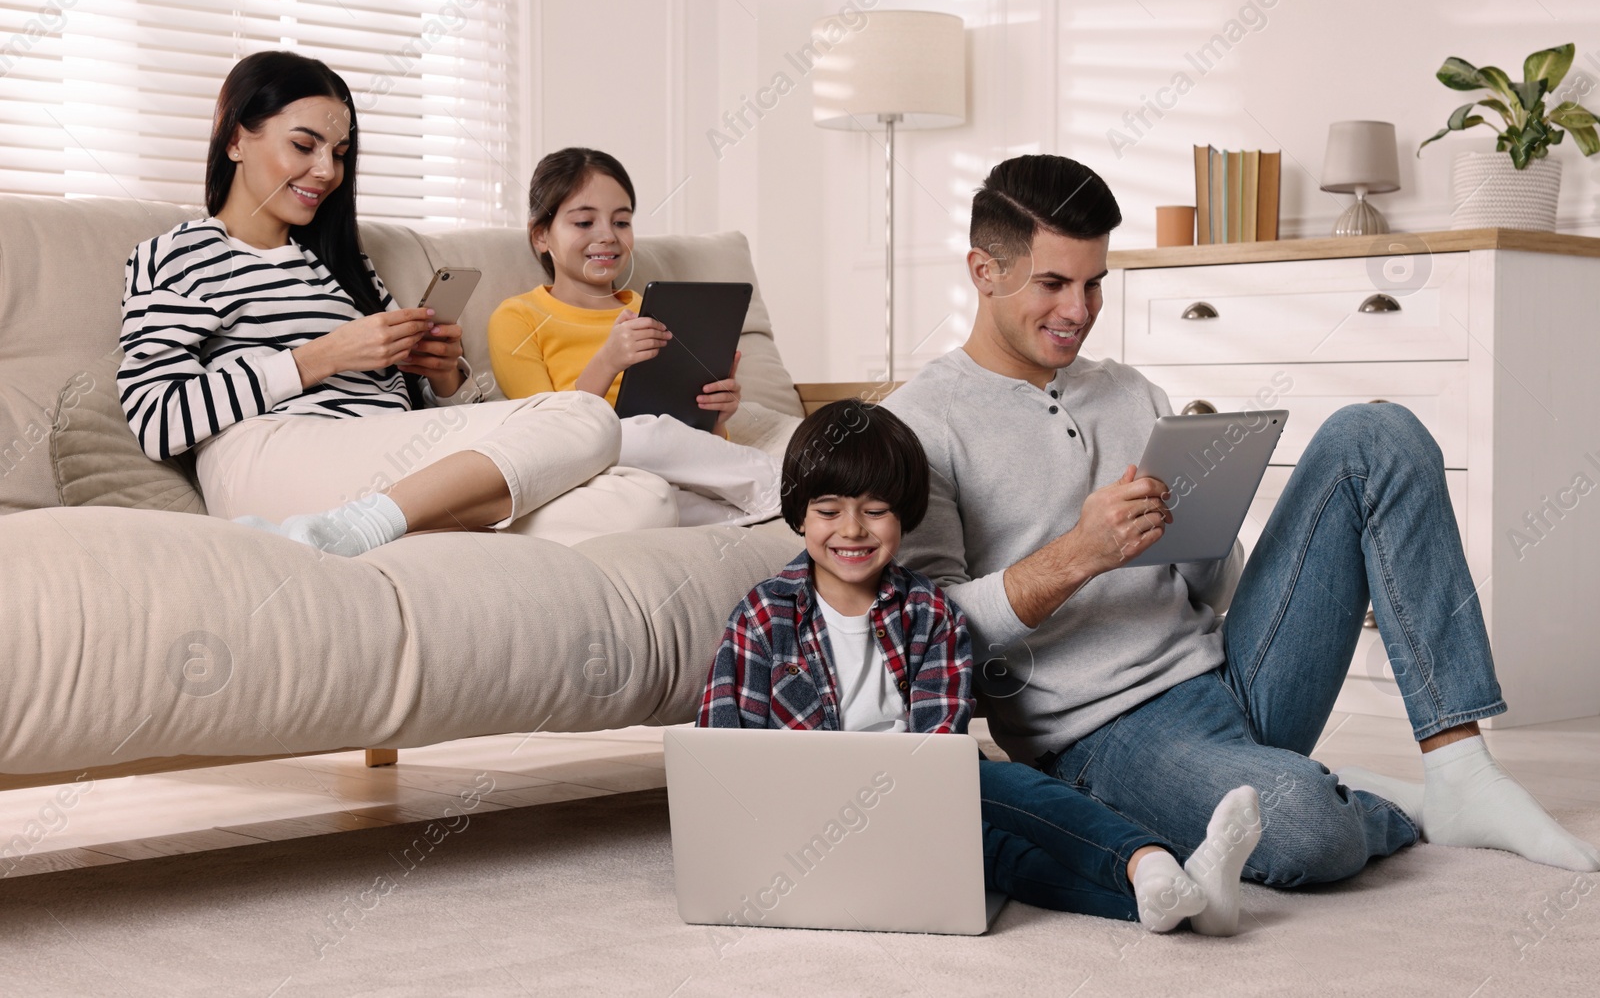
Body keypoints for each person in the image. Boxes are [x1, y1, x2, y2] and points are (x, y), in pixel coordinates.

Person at [884, 153, 1600, 886]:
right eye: (1054, 284)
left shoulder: (1133, 391)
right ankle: (1360, 799)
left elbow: (1209, 591)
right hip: (1100, 739)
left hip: (1230, 673)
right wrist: (1080, 553)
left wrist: (1199, 529)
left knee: (1377, 434)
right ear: (983, 270)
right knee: (1305, 826)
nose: (1079, 310)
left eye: (1094, 282)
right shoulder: (916, 425)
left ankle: (1460, 768)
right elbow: (931, 634)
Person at [698, 399, 1264, 934]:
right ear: (799, 515)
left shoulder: (931, 614)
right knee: (987, 796)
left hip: (915, 804)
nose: (851, 531)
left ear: (905, 517)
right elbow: (722, 755)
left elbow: (938, 751)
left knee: (996, 833)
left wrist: (915, 812)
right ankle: (1157, 868)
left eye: (875, 512)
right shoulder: (763, 615)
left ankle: (1169, 886)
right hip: (809, 821)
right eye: (828, 512)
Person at [118, 51, 675, 555]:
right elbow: (156, 420)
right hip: (271, 455)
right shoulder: (181, 253)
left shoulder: (343, 267)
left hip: (380, 468)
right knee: (586, 415)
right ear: (237, 139)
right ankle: (368, 526)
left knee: (647, 502)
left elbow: (414, 418)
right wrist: (322, 356)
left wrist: (444, 380)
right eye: (304, 145)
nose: (326, 171)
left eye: (338, 153)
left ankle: (368, 529)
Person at [486, 147, 781, 527]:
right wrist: (608, 361)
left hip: (665, 471)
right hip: (587, 464)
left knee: (667, 486)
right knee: (642, 434)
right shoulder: (517, 317)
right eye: (583, 223)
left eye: (621, 222)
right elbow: (547, 437)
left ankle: (776, 507)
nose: (607, 236)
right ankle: (794, 486)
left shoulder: (650, 310)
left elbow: (690, 437)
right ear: (541, 235)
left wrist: (716, 415)